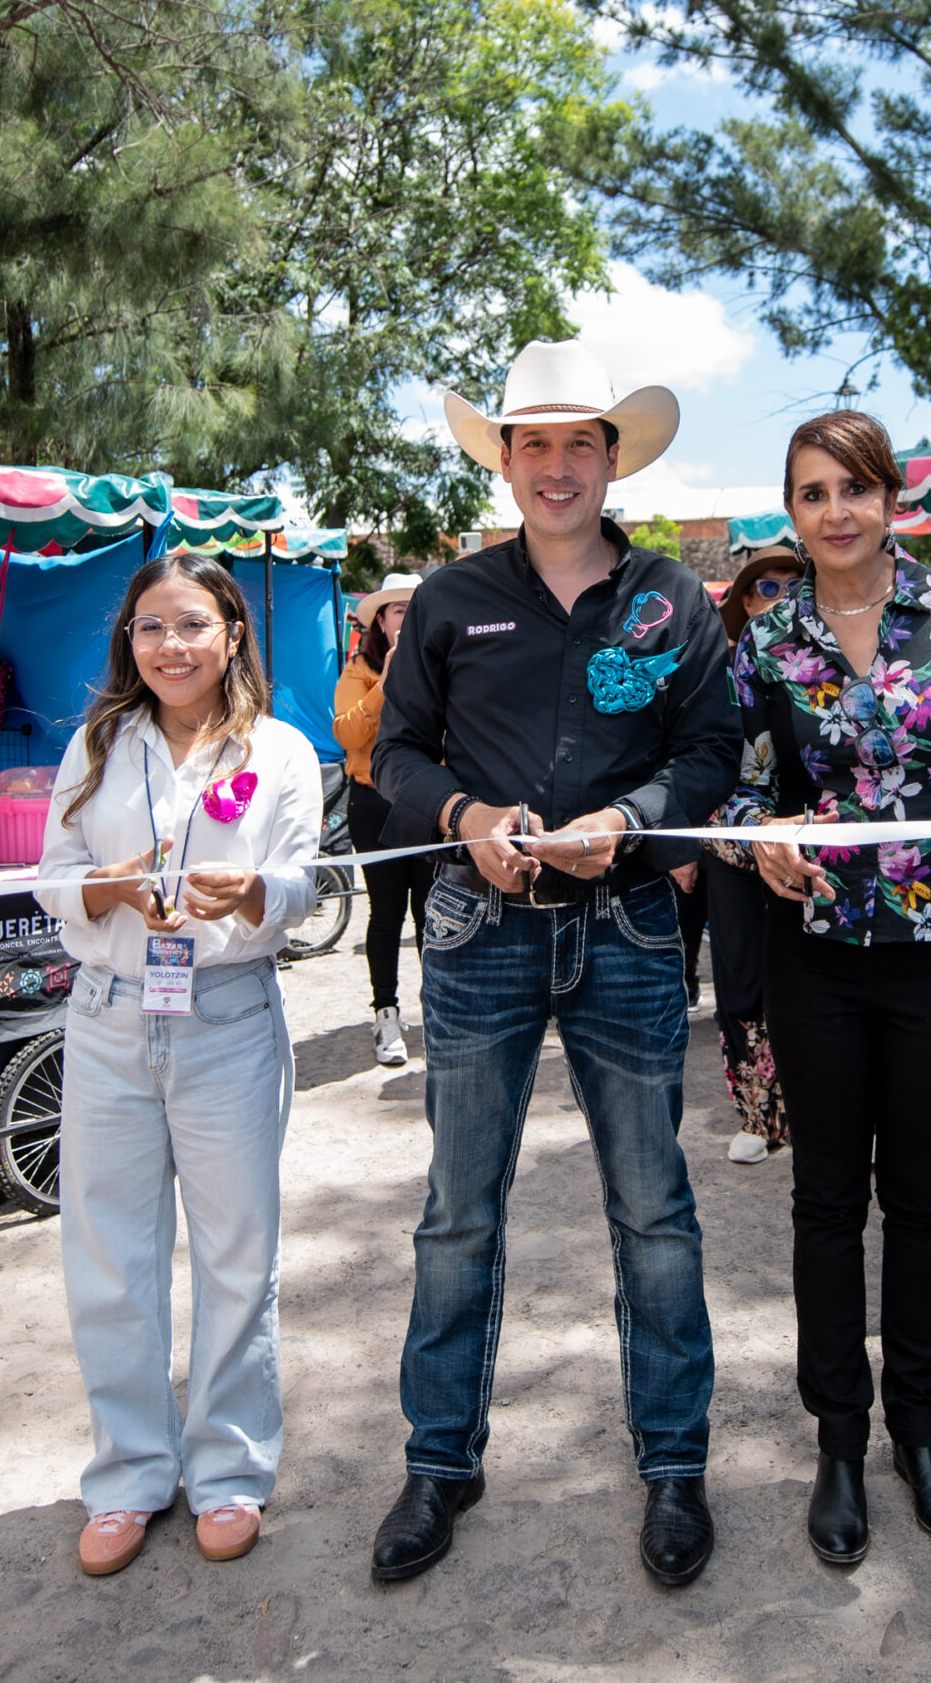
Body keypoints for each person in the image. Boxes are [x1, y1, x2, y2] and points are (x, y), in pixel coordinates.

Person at [368, 339, 741, 1587]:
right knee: (458, 1210)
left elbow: (710, 755)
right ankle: (438, 1459)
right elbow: (399, 757)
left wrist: (628, 823)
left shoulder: (671, 598)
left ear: (612, 457)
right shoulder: (446, 596)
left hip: (631, 926)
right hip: (477, 928)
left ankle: (675, 1463)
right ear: (508, 462)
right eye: (533, 442)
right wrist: (468, 818)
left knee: (653, 1211)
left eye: (580, 440)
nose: (557, 463)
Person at [724, 411, 931, 1565]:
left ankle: (919, 1430)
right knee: (825, 1204)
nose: (835, 512)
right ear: (793, 511)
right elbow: (728, 788)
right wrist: (751, 835)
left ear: (891, 496)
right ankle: (838, 1439)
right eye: (812, 493)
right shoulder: (768, 640)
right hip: (814, 953)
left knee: (922, 1199)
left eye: (853, 488)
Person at [34, 553, 322, 1577]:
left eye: (192, 624)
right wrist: (105, 889)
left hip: (227, 1016)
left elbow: (302, 883)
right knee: (109, 1255)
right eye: (151, 627)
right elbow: (51, 877)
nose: (171, 646)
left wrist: (248, 893)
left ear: (232, 632)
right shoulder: (98, 742)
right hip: (108, 1019)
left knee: (237, 1254)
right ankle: (127, 1472)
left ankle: (230, 1467)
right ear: (130, 640)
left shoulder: (281, 750)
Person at [707, 544, 803, 1164]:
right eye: (768, 588)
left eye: (795, 587)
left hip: (807, 849)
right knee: (741, 984)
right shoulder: (713, 672)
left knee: (808, 987)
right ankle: (757, 1116)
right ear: (744, 602)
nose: (781, 597)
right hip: (731, 842)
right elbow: (695, 763)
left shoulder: (831, 669)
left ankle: (812, 1113)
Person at [334, 572, 431, 1066]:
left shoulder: (438, 667)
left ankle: (436, 1012)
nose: (408, 619)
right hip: (374, 805)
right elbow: (347, 735)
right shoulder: (359, 672)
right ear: (380, 623)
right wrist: (386, 685)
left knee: (432, 913)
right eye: (398, 611)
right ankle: (386, 1013)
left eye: (416, 610)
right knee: (388, 912)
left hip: (426, 804)